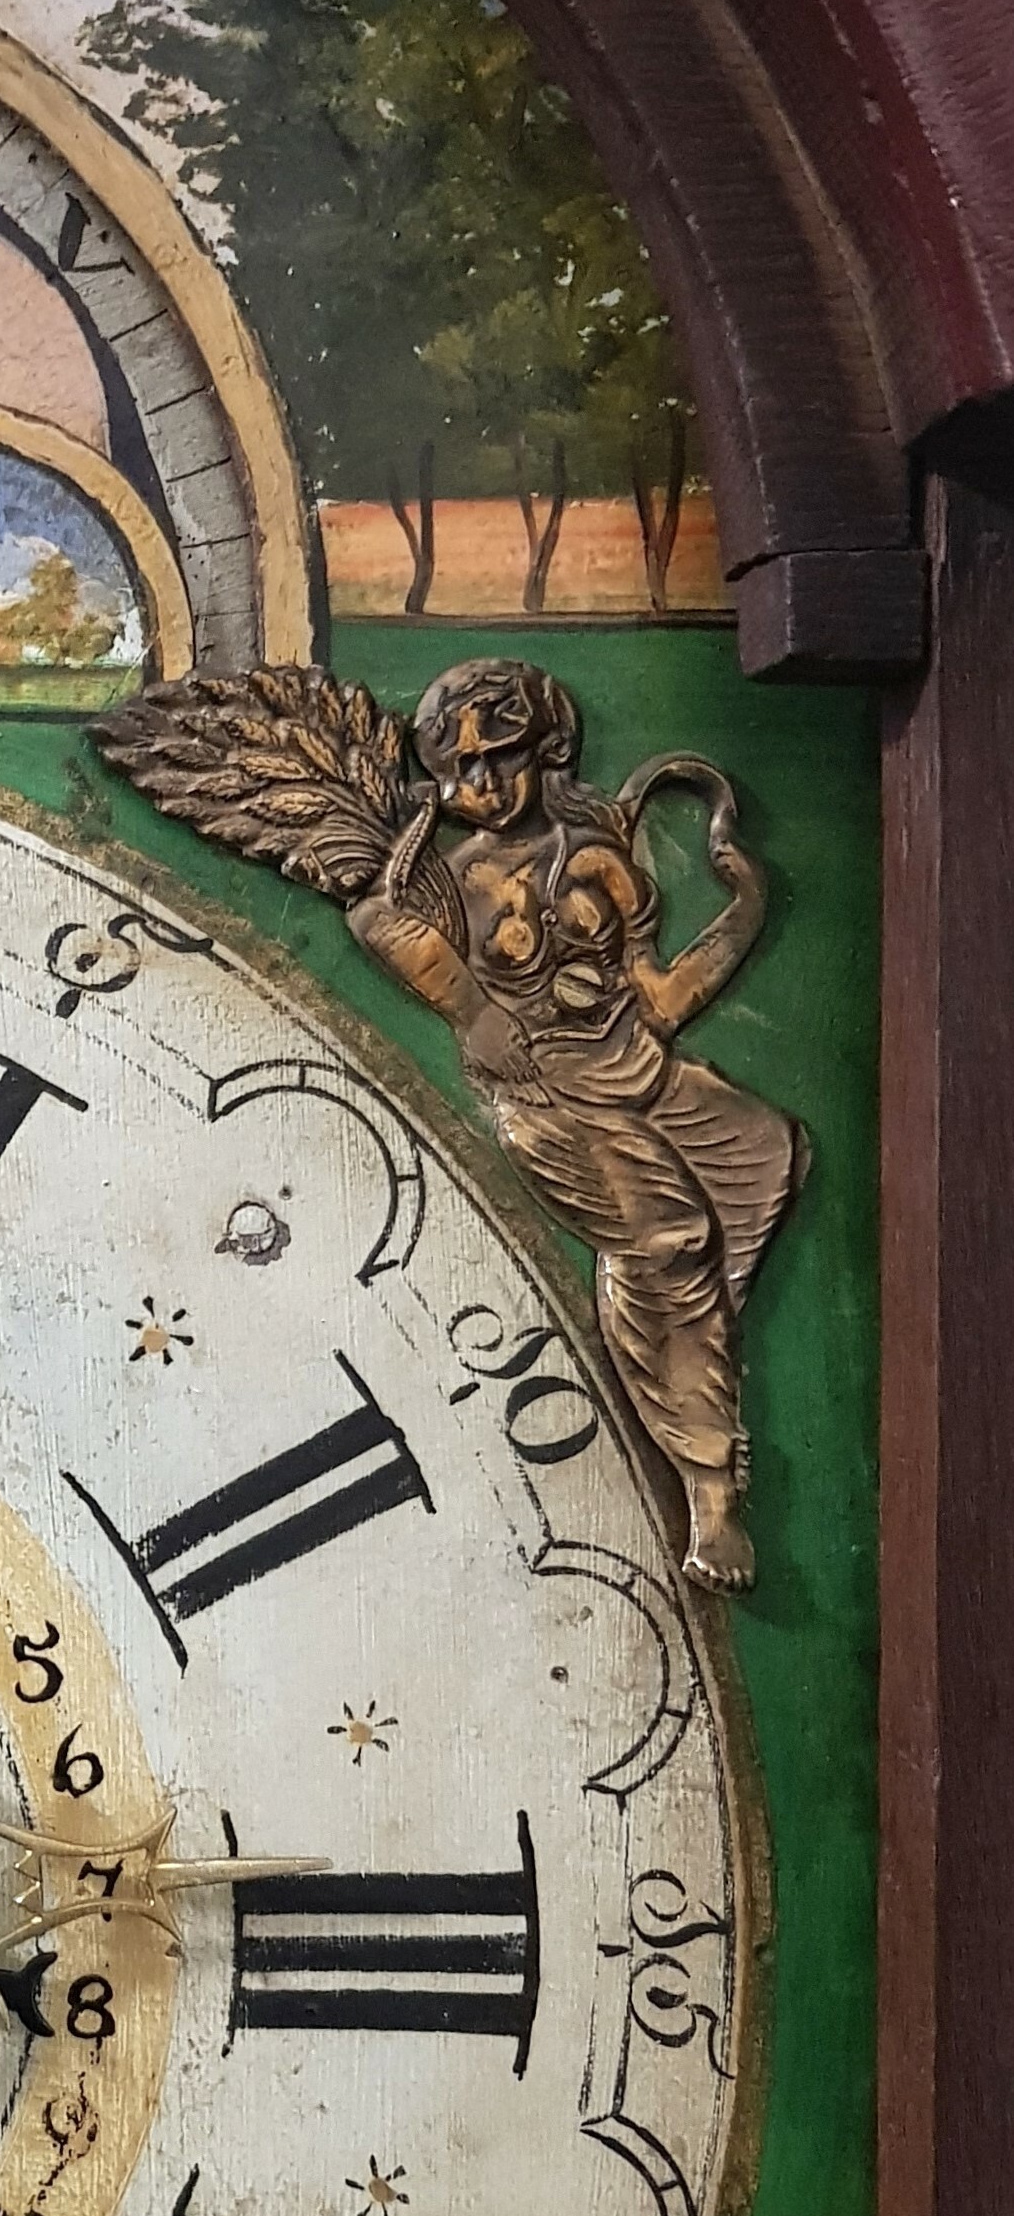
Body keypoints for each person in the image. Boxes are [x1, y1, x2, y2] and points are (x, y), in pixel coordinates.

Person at [349, 660, 805, 1591]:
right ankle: (710, 1488)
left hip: (637, 1075)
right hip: (546, 1102)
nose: (483, 781)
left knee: (766, 1151)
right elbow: (374, 921)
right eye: (459, 766)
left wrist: (746, 904)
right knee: (670, 1242)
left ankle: (687, 1358)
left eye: (502, 753)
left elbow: (661, 1002)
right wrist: (473, 1010)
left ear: (546, 748)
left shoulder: (593, 853)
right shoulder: (447, 880)